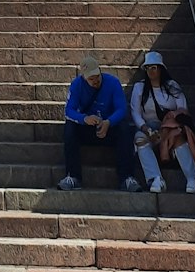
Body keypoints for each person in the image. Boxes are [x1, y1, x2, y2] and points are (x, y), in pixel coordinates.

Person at [59, 56, 139, 192]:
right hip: (87, 128)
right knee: (70, 127)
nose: (95, 81)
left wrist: (109, 122)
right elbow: (69, 111)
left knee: (124, 128)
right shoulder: (77, 85)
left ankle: (126, 178)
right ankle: (73, 176)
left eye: (97, 76)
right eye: (91, 78)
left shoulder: (113, 83)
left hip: (109, 127)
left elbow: (122, 109)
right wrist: (84, 119)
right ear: (83, 77)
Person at [131, 52, 195, 194]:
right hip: (149, 126)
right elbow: (135, 112)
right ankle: (156, 178)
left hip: (171, 126)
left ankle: (192, 178)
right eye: (148, 68)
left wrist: (169, 124)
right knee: (139, 138)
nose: (151, 71)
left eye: (154, 67)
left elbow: (183, 109)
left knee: (178, 138)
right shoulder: (140, 87)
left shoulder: (172, 86)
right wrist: (146, 129)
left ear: (161, 69)